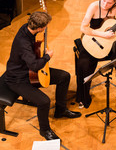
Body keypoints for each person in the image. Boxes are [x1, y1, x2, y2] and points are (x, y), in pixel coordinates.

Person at [4, 11, 81, 141]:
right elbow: (34, 65)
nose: (45, 29)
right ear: (39, 28)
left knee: (64, 76)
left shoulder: (27, 27)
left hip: (30, 71)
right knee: (44, 101)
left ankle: (60, 110)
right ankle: (45, 130)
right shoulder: (23, 43)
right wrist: (47, 56)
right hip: (18, 79)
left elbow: (32, 61)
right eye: (44, 27)